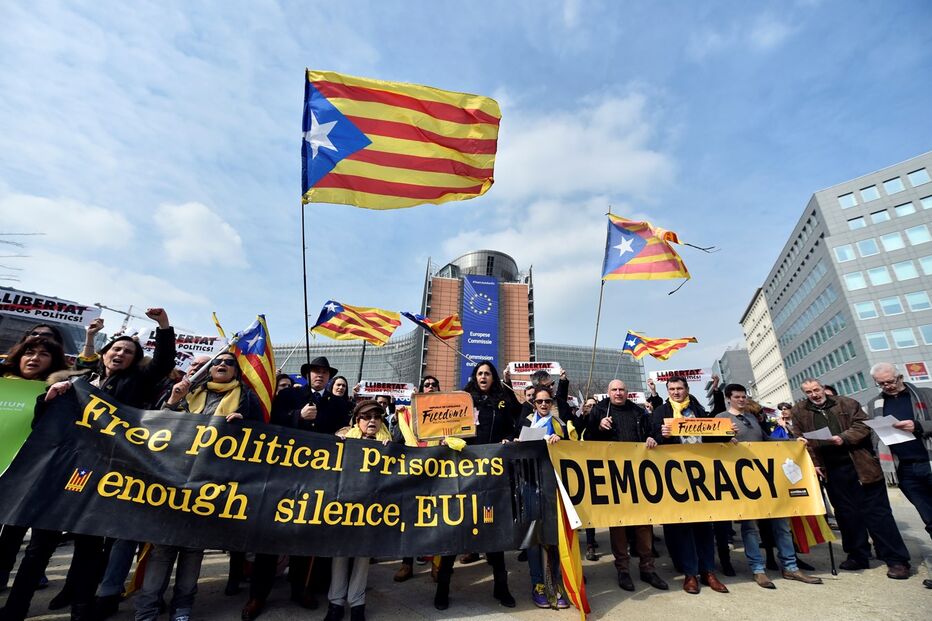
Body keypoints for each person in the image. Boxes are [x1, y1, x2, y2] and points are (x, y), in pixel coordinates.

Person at [0, 309, 176, 621]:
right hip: (59, 471)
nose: (120, 353)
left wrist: (163, 326)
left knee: (89, 547)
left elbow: (162, 363)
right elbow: (43, 423)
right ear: (104, 353)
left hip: (100, 472)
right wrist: (50, 397)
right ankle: (16, 609)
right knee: (38, 547)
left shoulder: (136, 381)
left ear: (134, 361)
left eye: (128, 352)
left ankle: (81, 609)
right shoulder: (74, 379)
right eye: (117, 349)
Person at [134, 354, 260, 621]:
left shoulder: (246, 399)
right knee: (162, 548)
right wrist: (173, 400)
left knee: (193, 549)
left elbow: (260, 439)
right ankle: (147, 609)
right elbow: (156, 425)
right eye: (217, 362)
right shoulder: (186, 392)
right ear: (209, 369)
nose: (222, 365)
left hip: (210, 484)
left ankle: (182, 607)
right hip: (171, 479)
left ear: (237, 371)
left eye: (229, 362)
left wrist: (245, 425)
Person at [243, 357, 349, 621]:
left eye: (325, 372)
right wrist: (297, 417)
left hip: (318, 477)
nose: (320, 375)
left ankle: (301, 587)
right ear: (308, 374)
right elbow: (274, 423)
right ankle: (258, 595)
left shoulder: (338, 403)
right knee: (271, 534)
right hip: (285, 474)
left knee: (306, 534)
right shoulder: (290, 395)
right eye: (316, 371)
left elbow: (343, 431)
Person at [792, 379, 911, 579]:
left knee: (878, 514)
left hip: (861, 466)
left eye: (816, 389)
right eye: (809, 392)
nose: (814, 394)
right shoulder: (799, 411)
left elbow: (863, 426)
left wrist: (844, 438)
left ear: (823, 389)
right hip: (832, 470)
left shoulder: (846, 403)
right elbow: (800, 437)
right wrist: (814, 463)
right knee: (847, 515)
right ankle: (857, 555)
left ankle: (896, 560)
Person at [716, 384, 822, 589]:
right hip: (742, 480)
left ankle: (790, 566)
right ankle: (758, 569)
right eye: (737, 397)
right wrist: (725, 437)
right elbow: (712, 444)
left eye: (743, 396)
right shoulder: (721, 418)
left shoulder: (753, 418)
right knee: (749, 527)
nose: (741, 400)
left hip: (765, 478)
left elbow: (767, 440)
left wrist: (792, 441)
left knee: (781, 524)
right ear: (729, 398)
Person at [433, 362, 519, 611]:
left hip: (493, 474)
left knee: (495, 529)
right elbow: (444, 428)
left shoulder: (502, 400)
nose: (483, 377)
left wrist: (510, 439)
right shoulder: (462, 400)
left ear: (493, 378)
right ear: (474, 377)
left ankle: (501, 588)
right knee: (455, 529)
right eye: (480, 373)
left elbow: (516, 420)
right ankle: (443, 589)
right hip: (463, 473)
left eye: (487, 373)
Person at [0, 336, 69, 593]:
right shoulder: (3, 382)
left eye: (43, 354)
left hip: (26, 472)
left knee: (12, 532)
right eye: (30, 352)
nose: (34, 358)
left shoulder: (60, 391)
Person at [585, 380, 668, 592]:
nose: (618, 393)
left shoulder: (639, 412)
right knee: (619, 526)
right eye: (614, 389)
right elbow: (587, 438)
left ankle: (647, 568)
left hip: (639, 476)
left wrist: (653, 438)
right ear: (608, 392)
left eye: (622, 389)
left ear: (627, 393)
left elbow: (655, 432)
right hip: (613, 477)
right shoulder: (599, 411)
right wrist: (598, 427)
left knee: (643, 524)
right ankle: (623, 569)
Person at [651, 375, 731, 595]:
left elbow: (709, 434)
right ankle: (690, 574)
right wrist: (661, 435)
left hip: (701, 474)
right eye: (672, 389)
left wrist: (726, 435)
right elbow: (652, 438)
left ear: (686, 389)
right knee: (684, 528)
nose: (676, 392)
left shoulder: (698, 410)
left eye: (679, 388)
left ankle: (708, 572)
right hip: (676, 476)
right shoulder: (661, 413)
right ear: (667, 391)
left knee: (705, 526)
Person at [323, 400, 391, 621]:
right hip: (344, 505)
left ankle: (358, 603)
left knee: (362, 555)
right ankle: (335, 602)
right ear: (357, 420)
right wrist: (337, 444)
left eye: (377, 416)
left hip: (371, 507)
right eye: (366, 416)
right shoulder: (344, 437)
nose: (372, 420)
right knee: (340, 554)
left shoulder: (389, 443)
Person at [867, 363, 932, 588]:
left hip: (928, 461)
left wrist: (918, 425)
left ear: (900, 377)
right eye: (882, 383)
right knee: (929, 519)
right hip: (903, 468)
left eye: (891, 381)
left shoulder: (925, 395)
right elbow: (875, 435)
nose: (888, 386)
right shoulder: (875, 404)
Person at [518, 385, 569, 608]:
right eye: (540, 402)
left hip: (553, 484)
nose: (544, 405)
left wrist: (562, 442)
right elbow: (513, 446)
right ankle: (538, 584)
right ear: (534, 404)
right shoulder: (525, 422)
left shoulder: (559, 424)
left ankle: (554, 583)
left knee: (552, 536)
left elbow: (572, 451)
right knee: (533, 535)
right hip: (529, 483)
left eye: (548, 401)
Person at [393, 376, 441, 583]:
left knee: (439, 518)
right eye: (427, 385)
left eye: (434, 385)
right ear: (420, 391)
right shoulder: (407, 414)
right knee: (410, 518)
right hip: (413, 472)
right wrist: (397, 420)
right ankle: (406, 563)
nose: (430, 387)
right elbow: (397, 440)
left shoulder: (447, 414)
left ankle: (437, 565)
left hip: (439, 472)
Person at [578, 397, 600, 560]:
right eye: (588, 405)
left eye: (594, 406)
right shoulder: (579, 423)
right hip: (579, 471)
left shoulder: (600, 424)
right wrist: (580, 416)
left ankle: (591, 542)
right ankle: (589, 544)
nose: (591, 408)